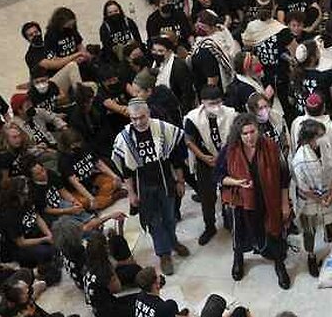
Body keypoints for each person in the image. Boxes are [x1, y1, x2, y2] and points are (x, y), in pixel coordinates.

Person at [111, 100, 190, 275]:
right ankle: (164, 254)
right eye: (134, 118)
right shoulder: (125, 138)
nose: (139, 122)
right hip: (143, 187)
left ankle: (173, 241)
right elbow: (126, 170)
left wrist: (180, 181)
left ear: (149, 114)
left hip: (165, 182)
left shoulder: (163, 129)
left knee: (170, 217)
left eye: (142, 117)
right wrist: (131, 193)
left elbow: (176, 158)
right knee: (154, 222)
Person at [220, 113, 293, 287]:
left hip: (269, 198)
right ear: (238, 134)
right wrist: (236, 182)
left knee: (274, 232)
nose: (250, 137)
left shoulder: (271, 146)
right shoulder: (230, 150)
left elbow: (284, 176)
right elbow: (219, 176)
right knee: (239, 233)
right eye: (245, 134)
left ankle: (279, 263)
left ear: (258, 130)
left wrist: (284, 203)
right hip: (241, 201)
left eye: (252, 131)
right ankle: (238, 258)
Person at [290, 118, 332, 276]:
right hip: (310, 199)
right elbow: (303, 187)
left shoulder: (325, 146)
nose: (323, 137)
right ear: (311, 138)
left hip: (329, 193)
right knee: (310, 229)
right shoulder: (299, 159)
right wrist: (320, 199)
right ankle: (311, 256)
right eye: (320, 135)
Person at [184, 86, 237, 244]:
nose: (216, 106)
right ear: (202, 103)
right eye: (212, 103)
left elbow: (236, 135)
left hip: (227, 159)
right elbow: (189, 141)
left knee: (229, 193)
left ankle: (228, 219)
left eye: (219, 102)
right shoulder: (193, 118)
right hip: (205, 161)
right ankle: (209, 226)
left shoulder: (230, 113)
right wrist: (203, 157)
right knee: (207, 197)